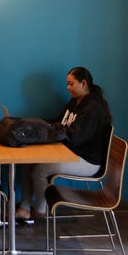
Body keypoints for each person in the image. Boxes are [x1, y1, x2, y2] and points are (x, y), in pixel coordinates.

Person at [15, 66, 113, 220]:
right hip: (71, 153)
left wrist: (47, 134)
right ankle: (24, 207)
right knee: (29, 163)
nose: (68, 88)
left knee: (40, 170)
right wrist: (36, 125)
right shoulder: (74, 102)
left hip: (86, 161)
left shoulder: (93, 108)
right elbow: (58, 122)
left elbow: (74, 136)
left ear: (84, 83)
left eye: (71, 84)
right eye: (67, 84)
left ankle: (40, 210)